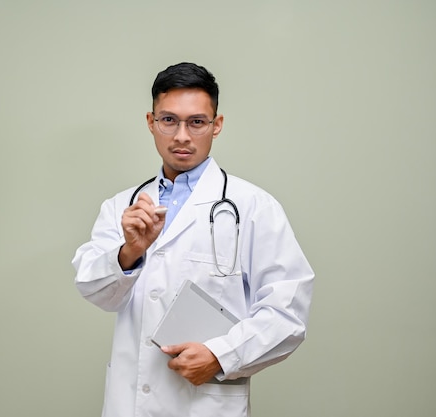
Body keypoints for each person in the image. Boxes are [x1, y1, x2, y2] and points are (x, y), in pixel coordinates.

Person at [72, 62, 314, 417]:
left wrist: (222, 355)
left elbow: (287, 312)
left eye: (196, 122)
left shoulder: (253, 206)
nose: (181, 136)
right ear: (151, 122)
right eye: (169, 120)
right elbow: (94, 290)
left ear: (216, 126)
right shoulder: (121, 205)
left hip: (205, 405)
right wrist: (131, 252)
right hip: (130, 402)